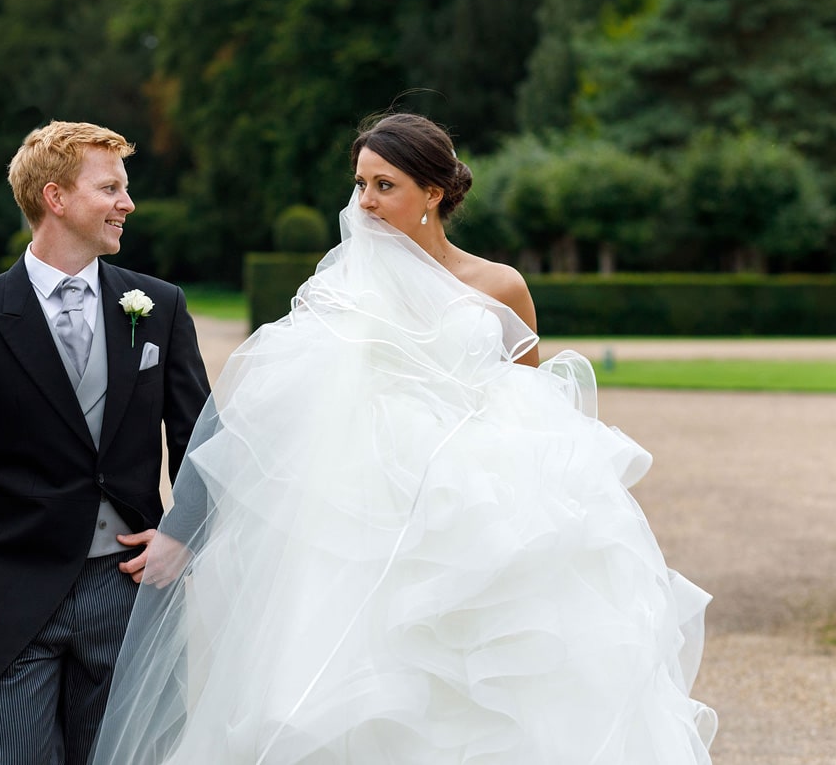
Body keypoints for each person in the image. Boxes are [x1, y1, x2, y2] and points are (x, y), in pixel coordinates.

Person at [90, 113, 717, 764]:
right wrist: (184, 531)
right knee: (364, 701)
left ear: (434, 193)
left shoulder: (501, 287)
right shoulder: (341, 293)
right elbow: (256, 402)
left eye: (384, 185)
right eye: (360, 183)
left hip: (481, 527)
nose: (364, 201)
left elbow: (532, 408)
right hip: (366, 530)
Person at [0, 120, 210, 765]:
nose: (127, 203)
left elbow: (201, 440)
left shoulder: (158, 306)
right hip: (17, 591)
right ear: (56, 198)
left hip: (128, 588)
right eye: (110, 187)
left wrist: (183, 533)